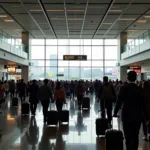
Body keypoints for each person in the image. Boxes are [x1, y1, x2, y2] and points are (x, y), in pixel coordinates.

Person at [113, 71, 149, 150]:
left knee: (127, 136)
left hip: (126, 115)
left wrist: (115, 112)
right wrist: (147, 117)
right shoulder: (140, 89)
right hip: (137, 116)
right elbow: (144, 105)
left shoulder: (123, 88)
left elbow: (119, 102)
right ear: (136, 78)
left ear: (127, 78)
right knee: (135, 135)